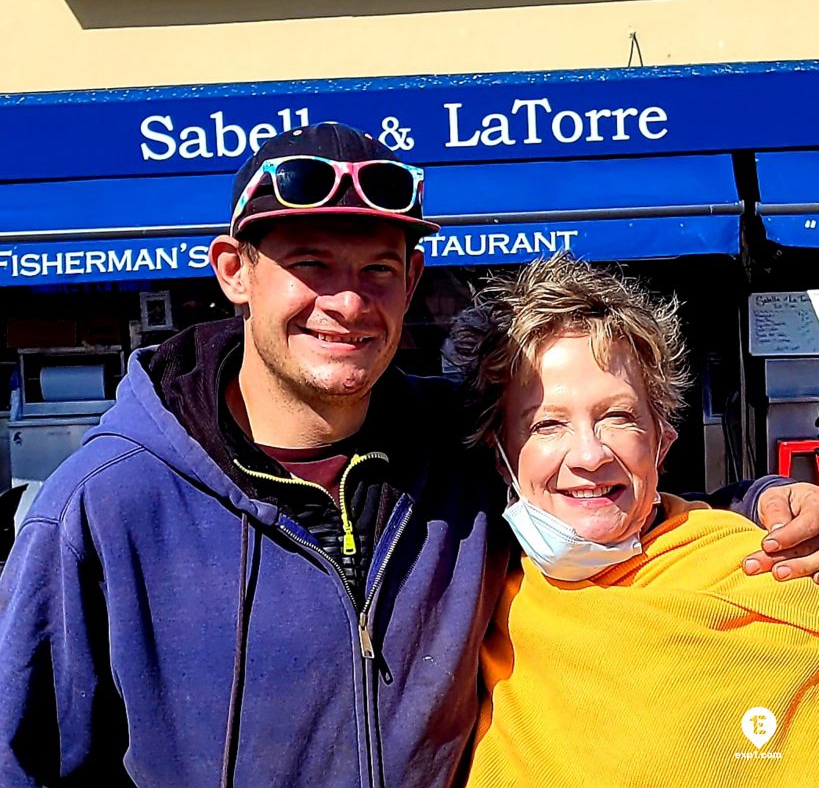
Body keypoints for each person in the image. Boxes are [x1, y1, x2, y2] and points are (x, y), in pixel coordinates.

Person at [0, 124, 817, 788]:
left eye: (377, 271)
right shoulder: (104, 505)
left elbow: (607, 489)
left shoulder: (458, 446)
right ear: (233, 272)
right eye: (310, 266)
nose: (348, 302)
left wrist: (766, 504)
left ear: (414, 277)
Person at [447, 256, 818, 788]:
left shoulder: (771, 569)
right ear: (501, 452)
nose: (589, 455)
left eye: (617, 417)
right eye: (547, 424)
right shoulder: (478, 595)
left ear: (661, 440)